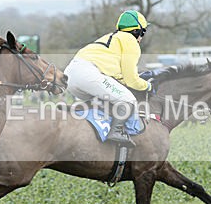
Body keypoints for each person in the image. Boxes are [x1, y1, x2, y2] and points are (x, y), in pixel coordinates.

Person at [64, 10, 153, 145]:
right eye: (143, 32)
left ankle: (78, 115)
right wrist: (148, 86)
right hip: (88, 74)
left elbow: (119, 77)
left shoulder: (112, 37)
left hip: (71, 75)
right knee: (128, 100)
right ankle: (116, 132)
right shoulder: (131, 42)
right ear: (138, 31)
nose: (142, 37)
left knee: (103, 103)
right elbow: (131, 80)